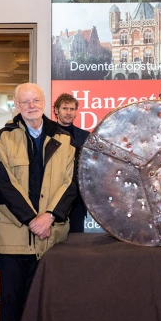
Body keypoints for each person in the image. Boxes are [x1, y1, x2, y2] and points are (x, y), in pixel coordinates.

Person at [0, 82, 77, 321]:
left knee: (47, 307)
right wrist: (31, 219)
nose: (31, 105)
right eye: (24, 101)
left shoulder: (64, 138)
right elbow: (4, 184)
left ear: (43, 102)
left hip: (52, 238)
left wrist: (50, 216)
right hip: (14, 239)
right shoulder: (2, 139)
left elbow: (71, 183)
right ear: (16, 106)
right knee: (12, 307)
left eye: (35, 100)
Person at [53, 93, 90, 233]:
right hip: (53, 198)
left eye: (72, 109)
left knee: (76, 245)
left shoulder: (86, 136)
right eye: (65, 108)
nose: (69, 113)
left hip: (77, 200)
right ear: (56, 110)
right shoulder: (47, 134)